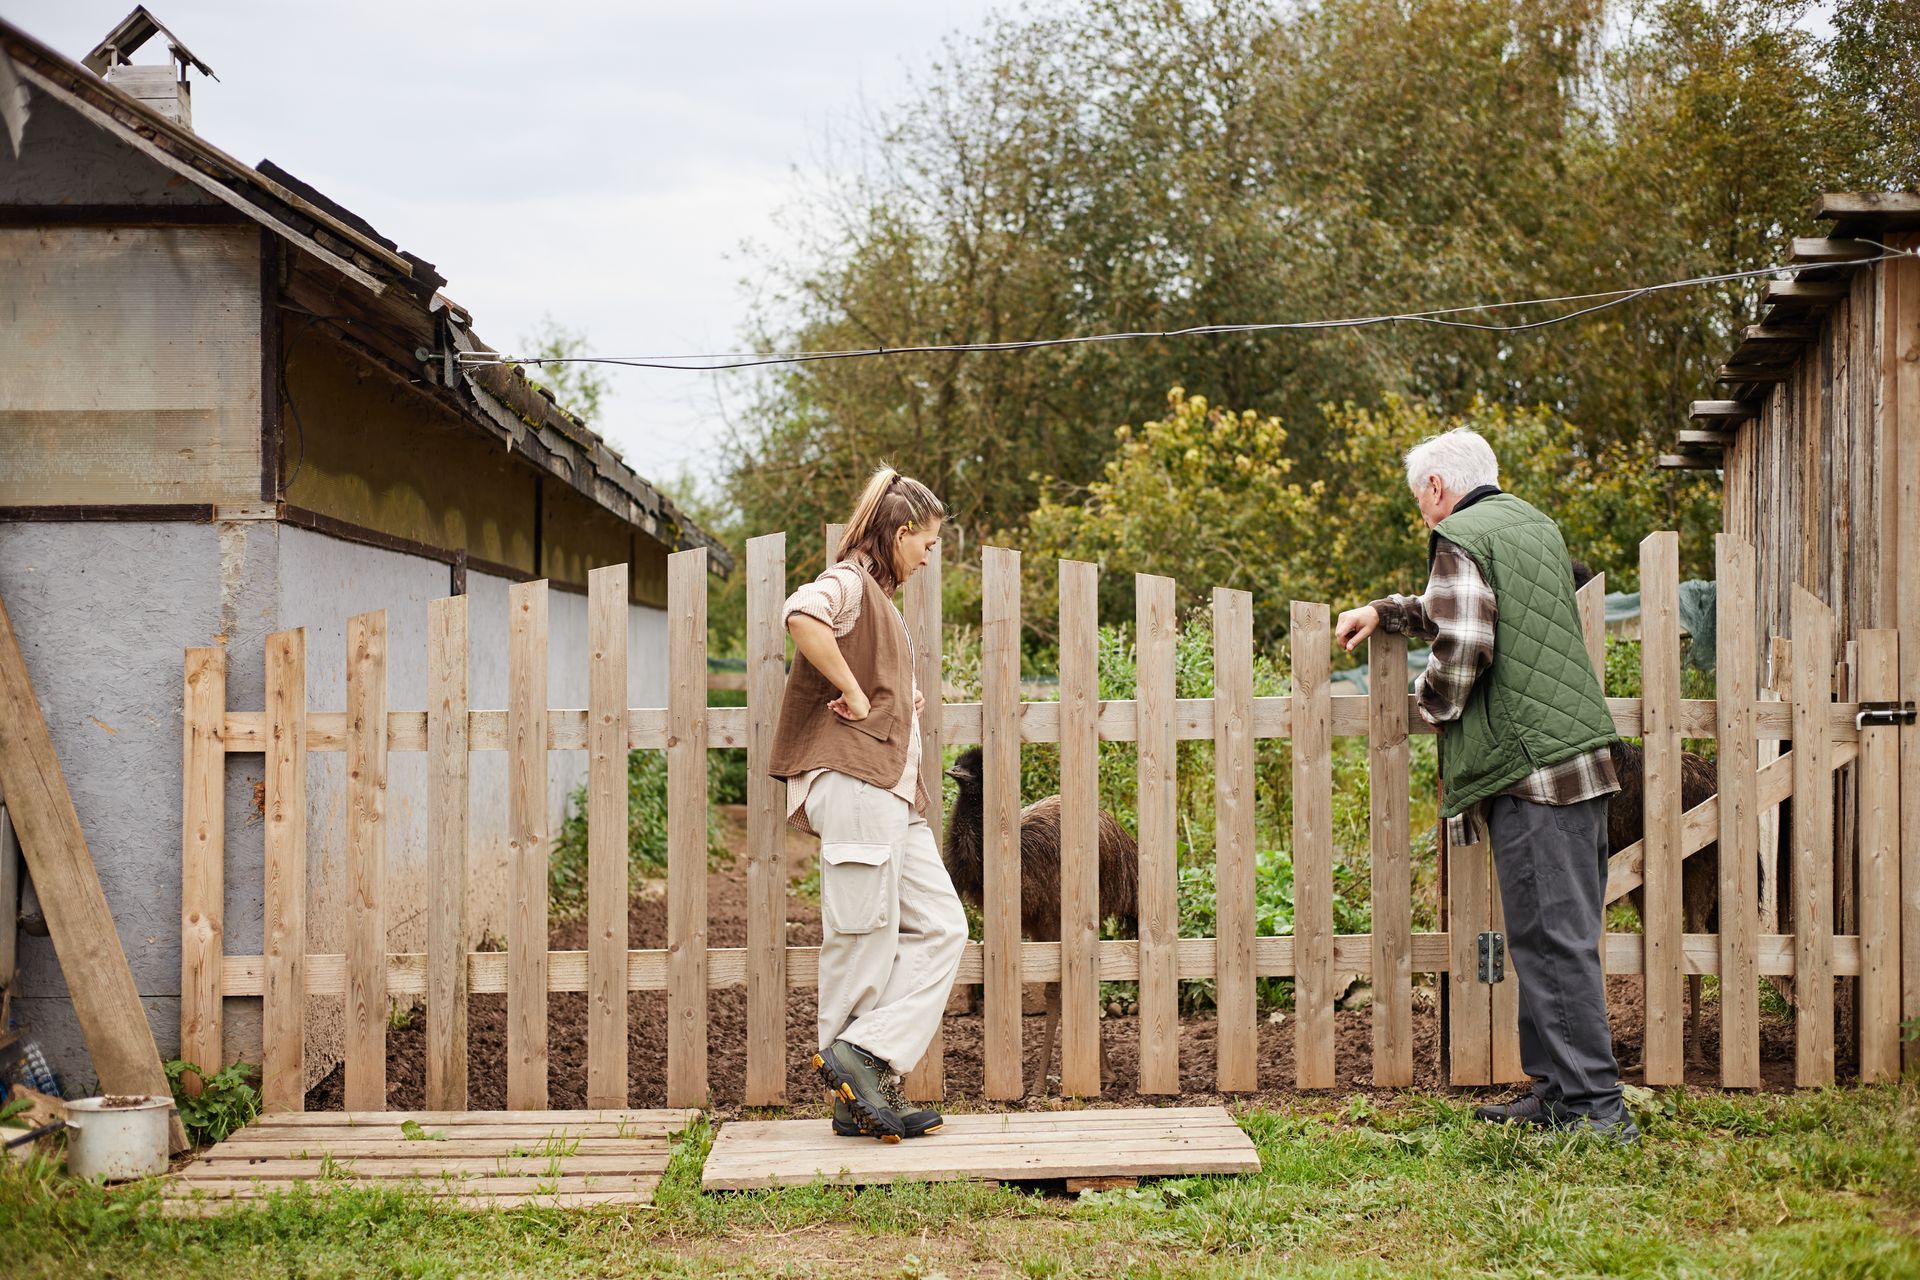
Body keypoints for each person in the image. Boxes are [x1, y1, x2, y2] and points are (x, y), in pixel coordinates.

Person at [1334, 428, 1638, 1143]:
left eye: (1420, 503)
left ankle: (1596, 1109)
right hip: (1576, 758)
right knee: (1549, 935)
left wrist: (1433, 700)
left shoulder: (1460, 535)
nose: (1424, 518)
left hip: (1534, 768)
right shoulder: (1532, 525)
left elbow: (1466, 641)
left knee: (1553, 940)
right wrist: (1389, 611)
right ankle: (1559, 1093)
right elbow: (1474, 604)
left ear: (1437, 488)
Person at [768, 465, 967, 1142]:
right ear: (902, 532)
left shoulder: (878, 602)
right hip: (855, 785)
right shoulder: (850, 582)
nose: (928, 557)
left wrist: (890, 696)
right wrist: (854, 693)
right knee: (864, 936)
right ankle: (858, 1078)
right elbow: (801, 615)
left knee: (944, 926)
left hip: (889, 793)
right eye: (928, 545)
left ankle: (866, 1064)